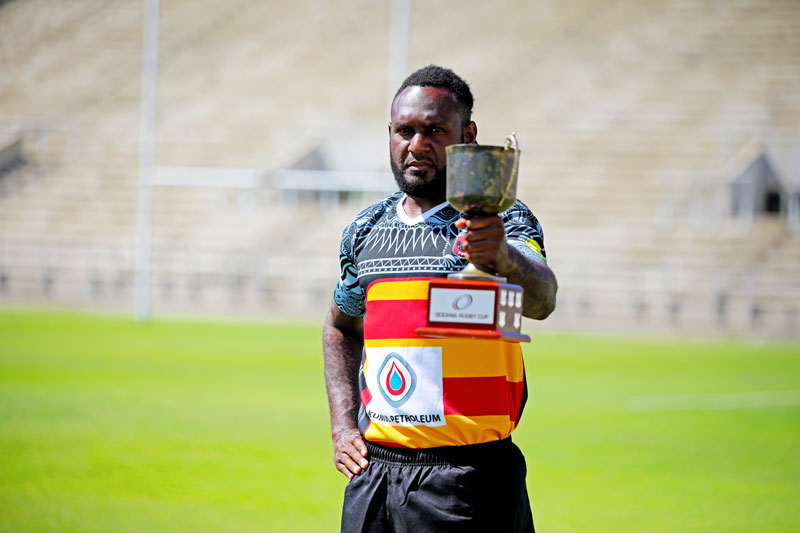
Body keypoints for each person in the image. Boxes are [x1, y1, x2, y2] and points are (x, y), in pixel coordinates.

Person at [323, 64, 557, 533]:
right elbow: (341, 326)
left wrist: (503, 257)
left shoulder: (502, 219)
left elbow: (542, 299)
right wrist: (344, 426)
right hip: (375, 475)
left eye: (434, 130)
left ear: (467, 135)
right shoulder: (366, 230)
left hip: (468, 478)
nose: (416, 144)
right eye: (404, 131)